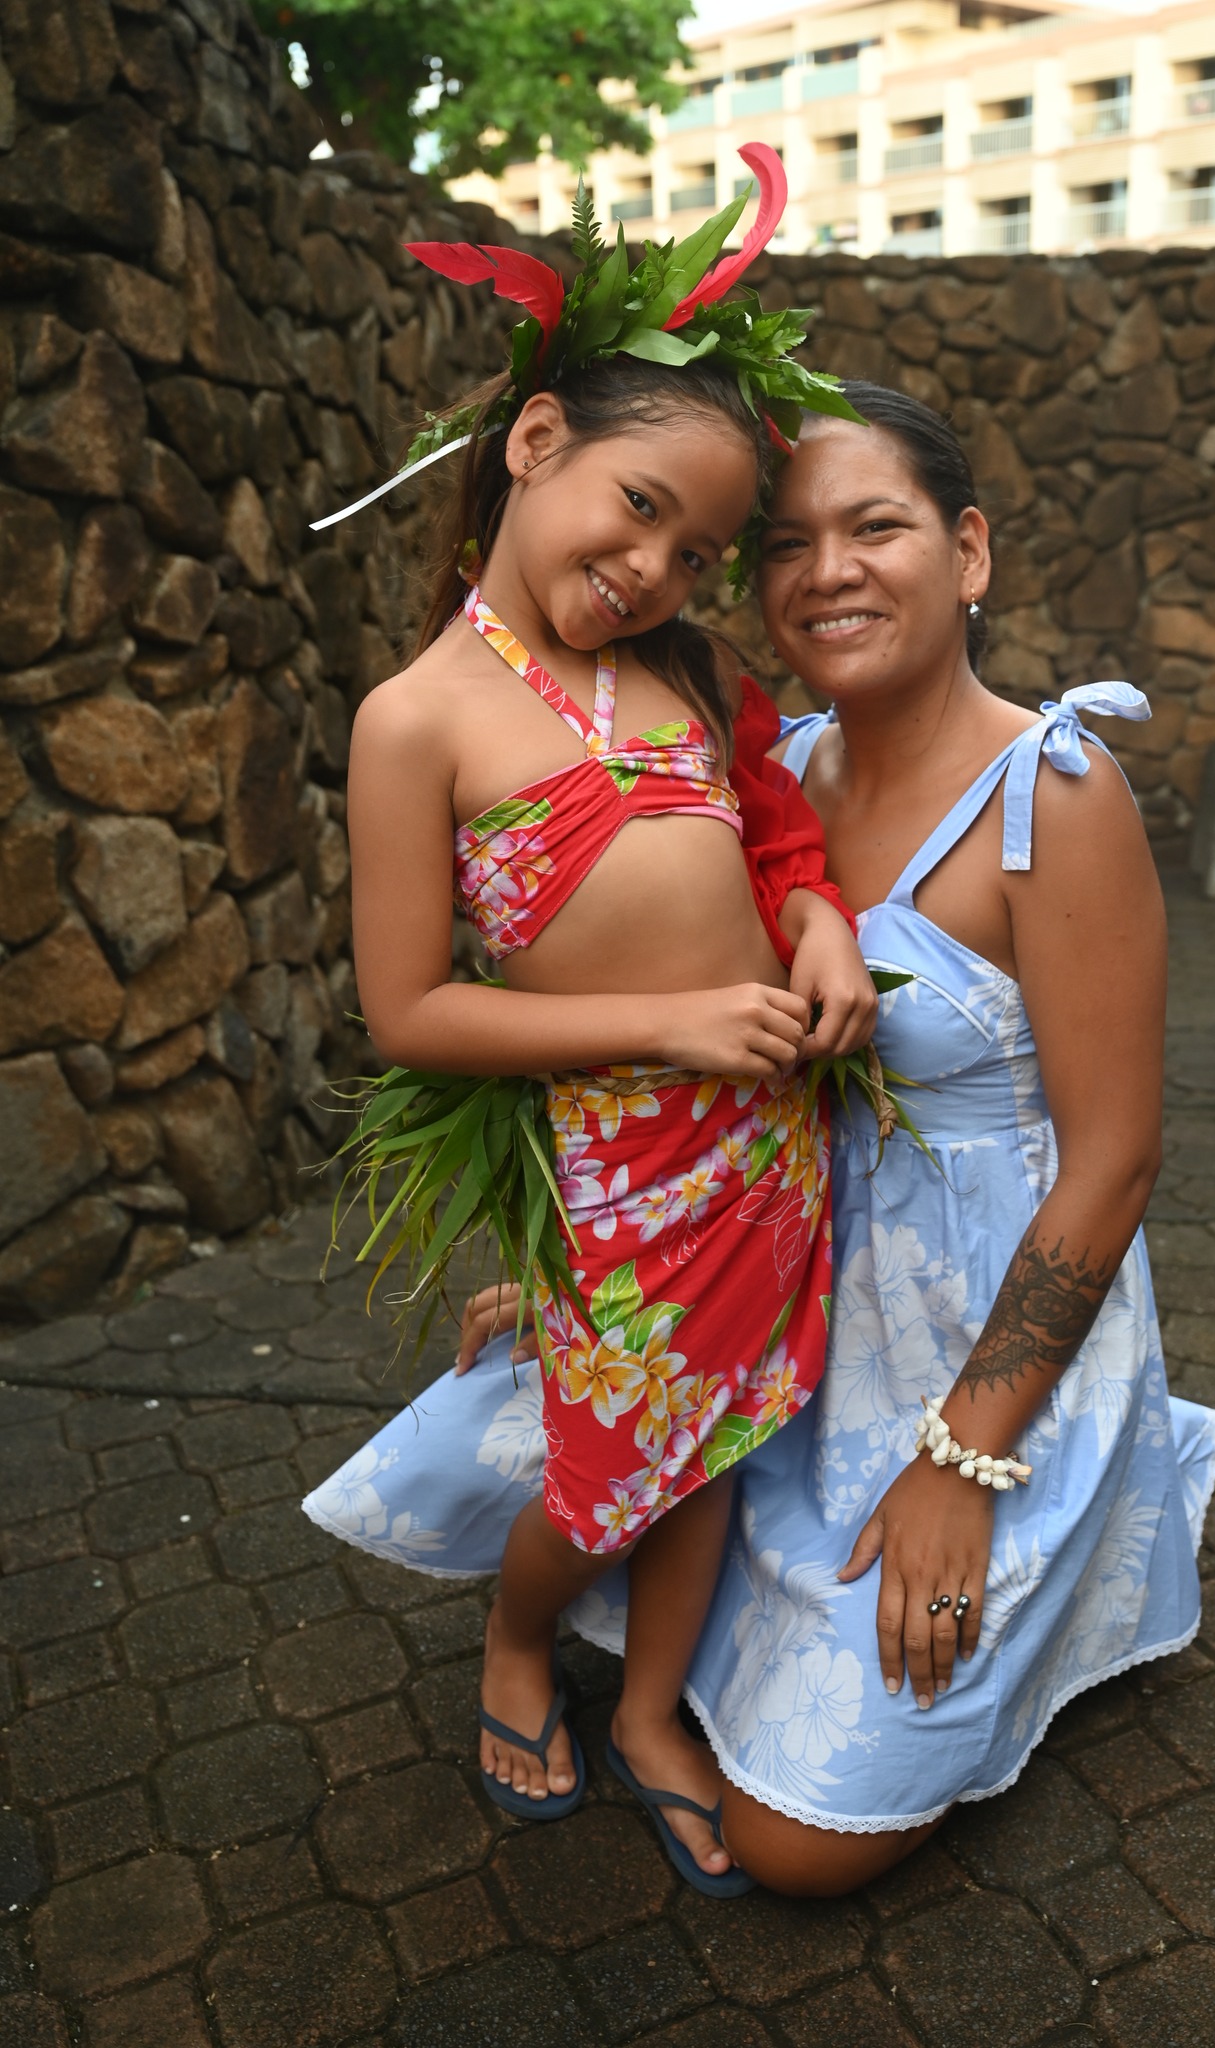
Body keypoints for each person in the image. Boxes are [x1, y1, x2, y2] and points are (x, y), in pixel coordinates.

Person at [406, 381, 1215, 1897]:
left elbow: (1115, 1160)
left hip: (979, 1347)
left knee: (795, 1851)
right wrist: (580, 1253)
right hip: (766, 1281)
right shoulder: (762, 764)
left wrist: (961, 1462)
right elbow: (626, 1023)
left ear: (968, 552)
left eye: (877, 528)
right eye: (784, 544)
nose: (827, 571)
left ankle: (1097, 1505)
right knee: (588, 1475)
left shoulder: (1053, 797)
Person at [304, 155, 879, 1895]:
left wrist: (820, 922)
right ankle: (514, 1640)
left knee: (722, 1440)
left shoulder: (689, 676)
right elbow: (413, 1011)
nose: (650, 568)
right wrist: (676, 1025)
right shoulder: (418, 720)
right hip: (626, 1162)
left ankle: (645, 1711)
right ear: (536, 441)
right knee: (608, 1463)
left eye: (695, 552)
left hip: (774, 1141)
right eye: (636, 509)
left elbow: (777, 839)